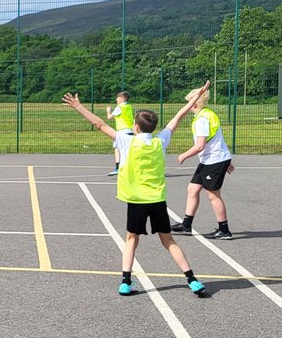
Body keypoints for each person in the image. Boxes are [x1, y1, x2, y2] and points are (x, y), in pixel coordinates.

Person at [62, 82, 211, 296]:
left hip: (136, 201)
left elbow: (99, 124)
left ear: (136, 127)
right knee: (168, 241)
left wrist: (78, 107)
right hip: (157, 199)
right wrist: (198, 96)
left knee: (131, 239)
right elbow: (178, 117)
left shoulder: (126, 142)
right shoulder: (161, 141)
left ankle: (125, 282)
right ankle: (192, 279)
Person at [172, 88, 234, 240]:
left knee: (213, 195)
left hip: (214, 161)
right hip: (211, 159)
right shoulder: (208, 113)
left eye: (189, 103)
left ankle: (224, 230)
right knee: (192, 189)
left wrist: (184, 155)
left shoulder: (202, 120)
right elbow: (218, 138)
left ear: (194, 104)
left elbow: (200, 146)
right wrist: (228, 159)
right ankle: (186, 225)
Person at [105, 92, 133, 176]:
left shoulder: (120, 107)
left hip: (123, 132)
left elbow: (109, 117)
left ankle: (118, 168)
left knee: (117, 149)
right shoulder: (128, 107)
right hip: (130, 131)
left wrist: (108, 111)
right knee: (127, 151)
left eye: (118, 98)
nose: (116, 99)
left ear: (122, 98)